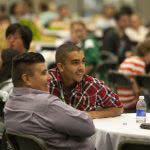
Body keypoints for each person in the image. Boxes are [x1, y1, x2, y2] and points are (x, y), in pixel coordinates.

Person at [4, 52, 95, 150]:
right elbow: (88, 127)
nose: (50, 77)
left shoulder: (9, 104)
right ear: (26, 79)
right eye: (43, 73)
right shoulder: (47, 104)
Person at [48, 42, 123, 119]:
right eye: (75, 63)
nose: (82, 68)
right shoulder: (47, 82)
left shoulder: (92, 85)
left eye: (83, 61)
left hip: (80, 130)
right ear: (61, 67)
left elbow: (118, 108)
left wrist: (91, 114)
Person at [118, 39, 150, 112]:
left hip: (121, 100)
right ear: (147, 52)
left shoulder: (129, 60)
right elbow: (138, 88)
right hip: (131, 102)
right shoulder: (139, 64)